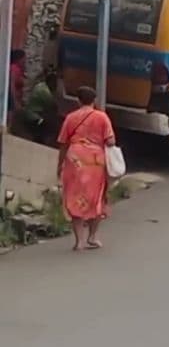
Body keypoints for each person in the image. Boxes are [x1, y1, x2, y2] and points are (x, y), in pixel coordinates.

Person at [57, 86, 116, 251]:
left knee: (75, 196)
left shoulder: (71, 117)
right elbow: (110, 141)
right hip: (95, 160)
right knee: (97, 196)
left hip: (74, 158)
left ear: (78, 100)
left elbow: (63, 143)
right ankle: (93, 236)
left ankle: (79, 241)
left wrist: (60, 164)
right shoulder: (102, 117)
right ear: (94, 100)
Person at [23, 69, 59, 144]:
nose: (55, 85)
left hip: (29, 112)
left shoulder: (40, 85)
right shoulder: (45, 92)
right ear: (51, 82)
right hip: (34, 117)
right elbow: (52, 106)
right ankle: (39, 139)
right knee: (50, 121)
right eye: (55, 82)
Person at [7, 49, 25, 119]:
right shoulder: (14, 68)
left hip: (16, 100)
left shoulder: (18, 69)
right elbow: (12, 85)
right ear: (19, 59)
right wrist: (15, 102)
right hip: (12, 101)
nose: (24, 61)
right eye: (23, 58)